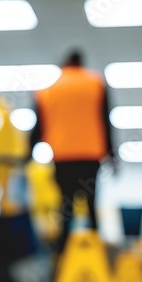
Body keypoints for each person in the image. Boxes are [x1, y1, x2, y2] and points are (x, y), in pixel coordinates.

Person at [31, 49, 116, 255]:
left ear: (64, 64)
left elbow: (39, 127)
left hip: (63, 159)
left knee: (65, 211)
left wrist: (28, 153)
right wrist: (112, 155)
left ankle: (61, 264)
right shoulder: (96, 84)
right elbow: (106, 121)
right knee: (91, 208)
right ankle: (97, 261)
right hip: (90, 158)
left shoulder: (50, 89)